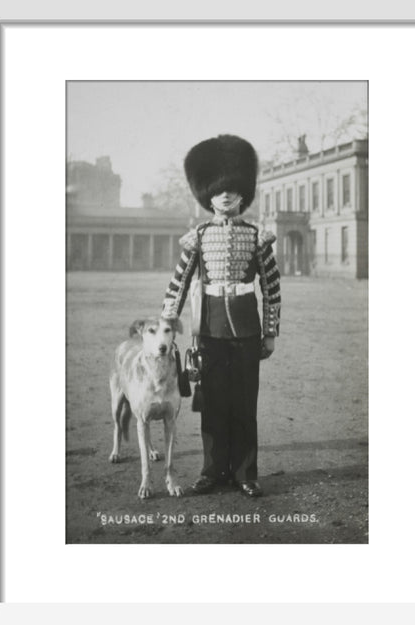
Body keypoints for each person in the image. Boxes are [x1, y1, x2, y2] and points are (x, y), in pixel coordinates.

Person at [161, 134, 281, 498]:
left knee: (245, 404)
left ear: (243, 194)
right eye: (218, 189)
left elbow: (272, 287)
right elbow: (179, 282)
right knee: (212, 405)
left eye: (232, 188)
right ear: (207, 195)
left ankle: (246, 472)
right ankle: (212, 470)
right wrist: (168, 322)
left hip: (246, 330)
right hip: (209, 331)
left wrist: (270, 332)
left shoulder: (257, 236)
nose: (226, 195)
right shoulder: (198, 236)